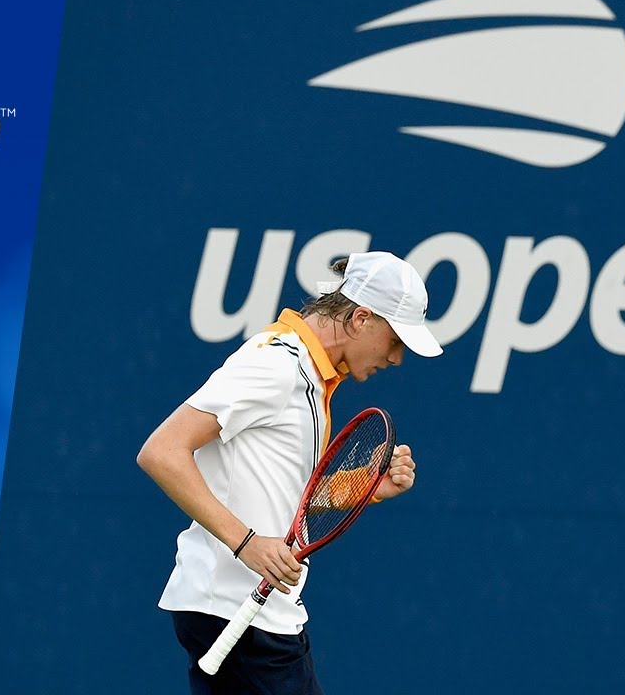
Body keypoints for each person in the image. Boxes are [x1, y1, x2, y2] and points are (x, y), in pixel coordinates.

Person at [138, 251, 442, 694]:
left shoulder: (310, 379)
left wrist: (368, 487)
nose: (396, 359)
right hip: (236, 612)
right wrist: (245, 542)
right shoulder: (275, 365)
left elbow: (291, 501)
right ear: (361, 319)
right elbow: (161, 451)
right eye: (396, 340)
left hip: (253, 615)